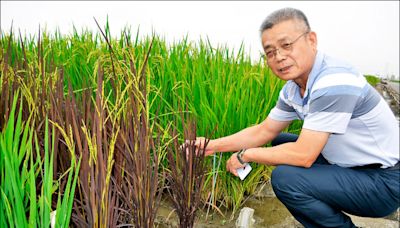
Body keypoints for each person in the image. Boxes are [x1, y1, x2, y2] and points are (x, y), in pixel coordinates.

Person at [195, 7, 399, 228]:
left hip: (383, 182)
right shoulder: (293, 89)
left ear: (311, 40)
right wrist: (212, 145)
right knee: (279, 140)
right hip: (350, 166)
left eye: (287, 45)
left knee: (285, 179)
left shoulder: (334, 80)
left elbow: (304, 156)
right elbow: (264, 131)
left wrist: (246, 155)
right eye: (270, 52)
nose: (279, 57)